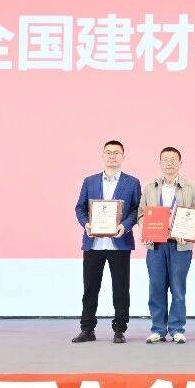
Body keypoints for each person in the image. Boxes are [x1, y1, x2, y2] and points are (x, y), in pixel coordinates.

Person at [72, 140, 141, 344]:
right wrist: (86, 224)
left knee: (121, 289)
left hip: (120, 243)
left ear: (123, 157)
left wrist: (125, 226)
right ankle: (87, 329)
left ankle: (119, 329)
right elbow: (80, 208)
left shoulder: (132, 182)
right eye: (108, 152)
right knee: (90, 288)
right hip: (93, 244)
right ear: (103, 155)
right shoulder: (90, 181)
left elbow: (137, 210)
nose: (112, 156)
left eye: (116, 153)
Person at [138, 147, 195, 344]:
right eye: (165, 159)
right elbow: (141, 214)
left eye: (173, 159)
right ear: (160, 163)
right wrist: (146, 232)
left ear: (180, 163)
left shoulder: (192, 187)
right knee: (156, 288)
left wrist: (187, 234)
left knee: (178, 289)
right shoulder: (150, 187)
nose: (169, 163)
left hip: (180, 246)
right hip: (156, 246)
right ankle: (158, 328)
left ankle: (177, 329)